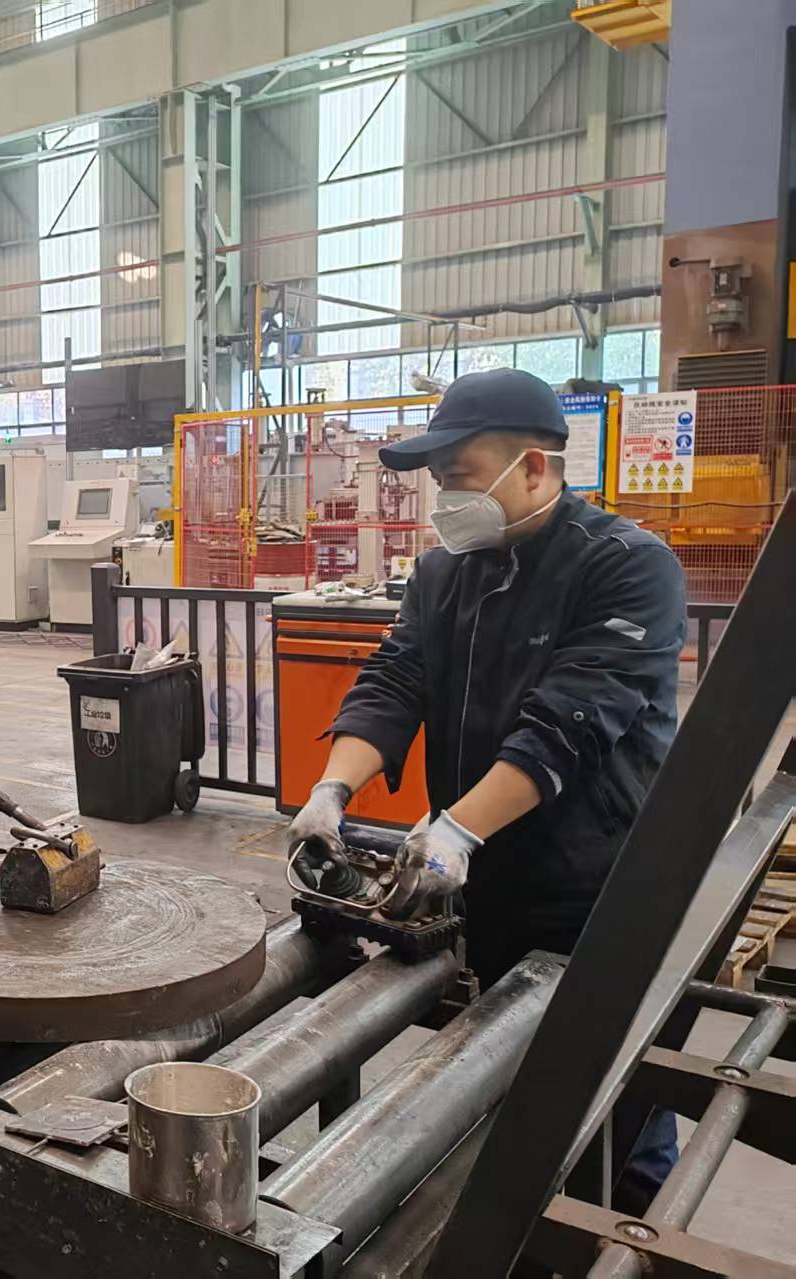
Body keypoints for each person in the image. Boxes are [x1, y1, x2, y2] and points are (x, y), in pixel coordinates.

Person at [283, 367, 686, 1212]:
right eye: (439, 481)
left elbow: (568, 724)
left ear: (533, 467)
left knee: (623, 1105)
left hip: (600, 893)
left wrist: (458, 829)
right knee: (519, 1088)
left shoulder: (627, 567)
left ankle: (628, 1239)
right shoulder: (444, 572)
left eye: (459, 476)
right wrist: (331, 790)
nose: (446, 500)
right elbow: (395, 681)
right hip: (493, 887)